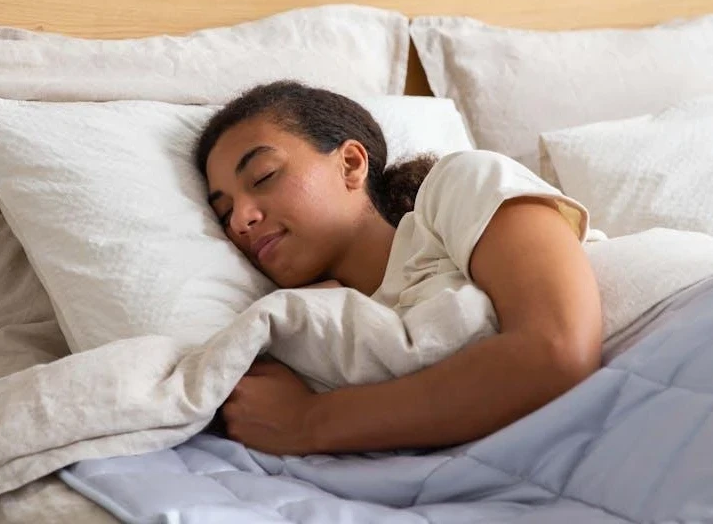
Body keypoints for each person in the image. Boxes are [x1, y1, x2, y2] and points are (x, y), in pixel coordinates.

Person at [195, 80, 603, 456]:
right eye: (224, 211)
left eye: (264, 175)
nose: (240, 220)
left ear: (351, 164)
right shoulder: (309, 332)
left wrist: (311, 421)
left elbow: (557, 349)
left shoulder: (460, 186)